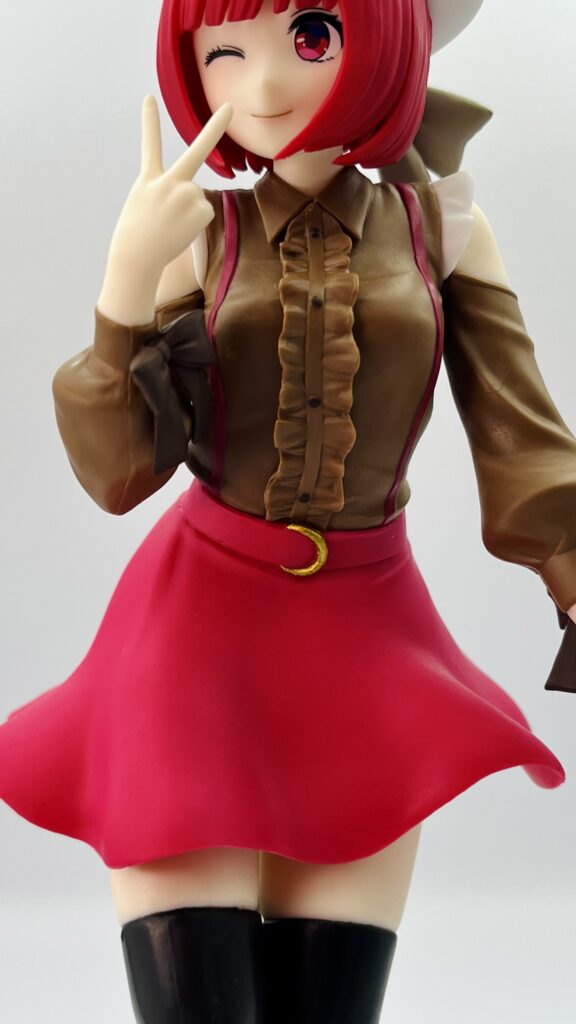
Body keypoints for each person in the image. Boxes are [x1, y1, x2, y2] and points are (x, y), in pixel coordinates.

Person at [0, 2, 574, 1021]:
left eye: (310, 37)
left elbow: (520, 434)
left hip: (368, 637)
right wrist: (124, 288)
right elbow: (120, 473)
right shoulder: (197, 237)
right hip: (194, 639)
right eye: (224, 51)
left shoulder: (442, 228)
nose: (261, 86)